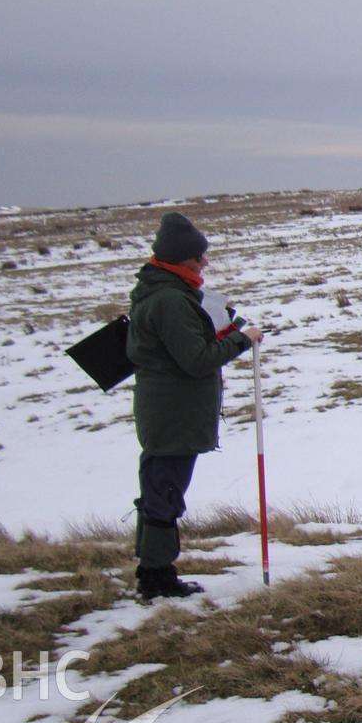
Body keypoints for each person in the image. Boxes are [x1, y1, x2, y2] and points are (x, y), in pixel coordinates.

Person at [126, 212, 262, 599]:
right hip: (173, 415)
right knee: (164, 493)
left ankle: (154, 570)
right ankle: (156, 577)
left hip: (170, 412)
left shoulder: (166, 292)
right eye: (199, 256)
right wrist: (241, 340)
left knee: (160, 489)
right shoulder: (170, 300)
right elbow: (197, 359)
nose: (205, 262)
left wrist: (224, 330)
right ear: (181, 258)